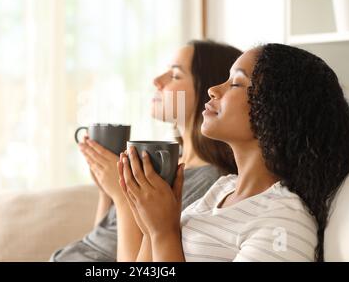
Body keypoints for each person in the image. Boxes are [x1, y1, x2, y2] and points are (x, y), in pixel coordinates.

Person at [118, 43, 349, 262]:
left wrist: (162, 231)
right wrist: (150, 226)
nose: (212, 90)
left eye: (235, 83)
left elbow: (164, 240)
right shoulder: (222, 190)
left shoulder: (283, 222)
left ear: (274, 109)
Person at [50, 40, 243, 261]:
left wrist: (122, 197)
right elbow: (102, 242)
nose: (157, 81)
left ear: (209, 90)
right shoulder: (165, 164)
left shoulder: (210, 183)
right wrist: (106, 191)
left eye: (175, 75)